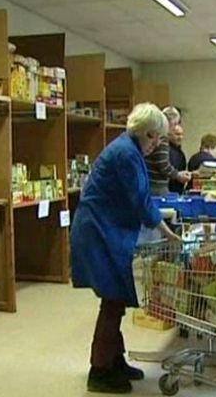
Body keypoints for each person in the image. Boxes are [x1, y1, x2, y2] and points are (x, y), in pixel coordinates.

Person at [70, 103, 180, 394]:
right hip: (98, 231)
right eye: (155, 138)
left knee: (114, 300)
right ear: (144, 132)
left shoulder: (127, 148)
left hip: (106, 227)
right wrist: (167, 232)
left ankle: (114, 360)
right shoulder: (126, 154)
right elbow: (140, 200)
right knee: (113, 298)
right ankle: (100, 370)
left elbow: (138, 197)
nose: (156, 144)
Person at [145, 106, 190, 195]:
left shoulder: (154, 133)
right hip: (156, 185)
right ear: (170, 121)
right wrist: (178, 175)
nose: (175, 127)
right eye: (175, 123)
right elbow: (163, 164)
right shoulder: (162, 137)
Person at [168, 123, 187, 194]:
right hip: (169, 192)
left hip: (177, 191)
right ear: (169, 135)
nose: (180, 137)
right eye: (177, 134)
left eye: (182, 135)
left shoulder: (179, 152)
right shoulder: (166, 151)